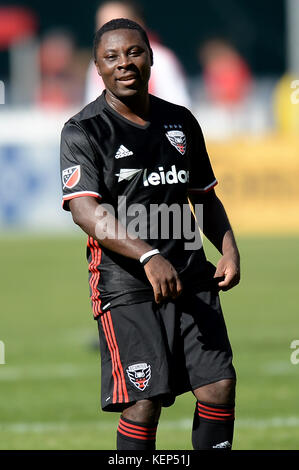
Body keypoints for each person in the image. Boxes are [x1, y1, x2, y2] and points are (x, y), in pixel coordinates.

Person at [60, 18, 240, 450]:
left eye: (134, 53)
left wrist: (230, 249)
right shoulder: (83, 130)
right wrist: (147, 256)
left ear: (151, 58)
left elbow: (205, 197)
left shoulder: (179, 122)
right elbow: (86, 211)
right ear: (97, 68)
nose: (125, 63)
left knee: (218, 387)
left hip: (192, 276)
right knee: (143, 403)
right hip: (126, 285)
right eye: (112, 57)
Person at [84, 0, 191, 108]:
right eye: (102, 27)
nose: (110, 33)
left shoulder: (161, 59)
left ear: (138, 24)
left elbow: (179, 107)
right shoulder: (96, 66)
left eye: (117, 26)